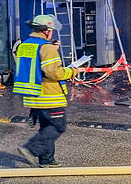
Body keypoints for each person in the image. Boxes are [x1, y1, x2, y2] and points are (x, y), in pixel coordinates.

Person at [14, 14, 79, 167]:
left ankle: (47, 160)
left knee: (46, 127)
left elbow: (35, 64)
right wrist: (72, 71)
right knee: (58, 126)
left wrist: (51, 47)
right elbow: (54, 72)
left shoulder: (25, 45)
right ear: (47, 31)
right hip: (49, 96)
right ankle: (30, 149)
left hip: (33, 96)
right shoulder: (47, 48)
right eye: (51, 30)